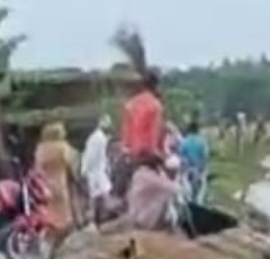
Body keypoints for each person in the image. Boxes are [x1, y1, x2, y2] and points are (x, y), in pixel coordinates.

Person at [114, 68, 165, 196]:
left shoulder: (129, 105)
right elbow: (153, 140)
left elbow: (125, 138)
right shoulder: (155, 105)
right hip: (147, 158)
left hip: (130, 158)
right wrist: (161, 157)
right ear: (156, 85)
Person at [33, 122, 78, 259]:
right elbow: (72, 165)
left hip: (44, 187)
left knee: (49, 219)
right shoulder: (63, 147)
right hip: (60, 186)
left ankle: (46, 249)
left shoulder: (40, 148)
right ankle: (58, 250)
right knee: (66, 221)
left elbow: (37, 168)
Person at [80, 114, 112, 225]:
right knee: (98, 195)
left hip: (98, 170)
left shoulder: (100, 137)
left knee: (100, 193)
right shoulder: (97, 138)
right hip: (95, 171)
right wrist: (85, 170)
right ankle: (96, 219)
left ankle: (100, 218)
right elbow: (91, 156)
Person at [177, 121, 210, 203]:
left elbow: (180, 156)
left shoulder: (184, 141)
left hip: (187, 169)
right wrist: (202, 169)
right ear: (197, 130)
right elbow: (205, 157)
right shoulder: (202, 142)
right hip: (198, 169)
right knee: (200, 193)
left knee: (187, 194)